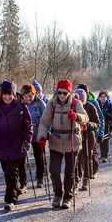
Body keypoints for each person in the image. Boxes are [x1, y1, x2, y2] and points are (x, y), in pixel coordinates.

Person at [0, 80, 33, 211]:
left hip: (17, 144)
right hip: (1, 145)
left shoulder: (21, 106)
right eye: (4, 94)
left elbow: (29, 125)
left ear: (13, 93)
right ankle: (13, 191)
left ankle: (10, 200)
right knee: (7, 173)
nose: (7, 97)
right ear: (1, 94)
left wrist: (28, 140)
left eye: (9, 94)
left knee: (11, 172)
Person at [37, 79, 88, 209]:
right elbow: (44, 122)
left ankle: (67, 197)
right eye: (59, 92)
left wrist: (76, 116)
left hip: (73, 140)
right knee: (54, 170)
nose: (62, 95)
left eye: (65, 93)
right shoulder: (52, 104)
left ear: (70, 92)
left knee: (70, 172)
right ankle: (58, 194)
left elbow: (85, 118)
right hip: (56, 139)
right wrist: (42, 136)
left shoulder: (76, 103)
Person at [21, 84, 46, 189]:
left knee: (39, 157)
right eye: (26, 96)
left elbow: (46, 118)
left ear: (34, 94)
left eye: (30, 96)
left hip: (37, 134)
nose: (28, 98)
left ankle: (40, 178)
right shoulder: (21, 105)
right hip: (24, 135)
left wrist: (46, 134)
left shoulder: (40, 103)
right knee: (22, 159)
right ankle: (23, 182)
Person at [77, 83, 105, 175]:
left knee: (91, 155)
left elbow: (100, 119)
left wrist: (100, 134)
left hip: (91, 133)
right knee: (79, 157)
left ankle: (92, 171)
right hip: (77, 135)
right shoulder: (73, 105)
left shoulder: (93, 104)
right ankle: (80, 176)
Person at [74, 89, 100, 190]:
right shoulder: (72, 106)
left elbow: (97, 123)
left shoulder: (91, 107)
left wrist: (87, 125)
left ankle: (86, 179)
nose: (80, 102)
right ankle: (76, 179)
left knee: (87, 157)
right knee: (76, 159)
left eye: (82, 100)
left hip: (88, 136)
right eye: (78, 100)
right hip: (76, 136)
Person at [97, 91, 112, 163]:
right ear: (98, 98)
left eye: (104, 97)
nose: (103, 98)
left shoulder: (109, 105)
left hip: (108, 125)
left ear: (107, 98)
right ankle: (102, 156)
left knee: (106, 141)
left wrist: (108, 115)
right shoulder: (97, 105)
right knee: (101, 140)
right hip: (99, 126)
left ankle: (105, 157)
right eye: (101, 97)